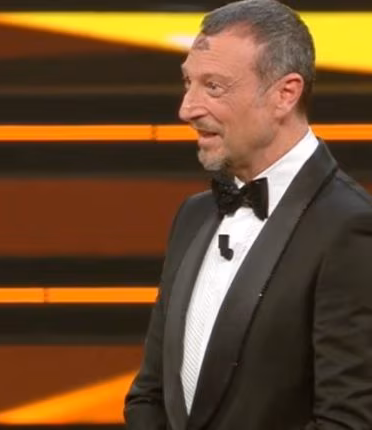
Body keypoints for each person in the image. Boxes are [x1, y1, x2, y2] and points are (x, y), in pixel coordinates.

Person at [124, 1, 372, 429]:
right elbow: (150, 392)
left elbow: (346, 420)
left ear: (285, 94)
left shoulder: (348, 227)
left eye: (213, 87)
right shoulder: (193, 216)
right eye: (188, 83)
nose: (187, 108)